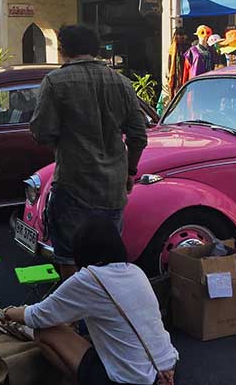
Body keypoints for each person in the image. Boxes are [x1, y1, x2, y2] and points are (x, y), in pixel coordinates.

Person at [30, 25, 148, 280]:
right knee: (108, 257)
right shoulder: (121, 82)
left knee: (69, 257)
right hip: (112, 186)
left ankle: (74, 315)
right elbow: (139, 136)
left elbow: (41, 133)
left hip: (73, 183)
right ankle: (102, 311)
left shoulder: (55, 82)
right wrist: (129, 171)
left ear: (63, 50)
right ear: (94, 50)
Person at [3, 220, 179, 385]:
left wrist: (7, 312)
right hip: (166, 371)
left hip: (131, 379)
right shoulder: (134, 270)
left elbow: (36, 316)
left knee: (44, 332)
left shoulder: (89, 279)